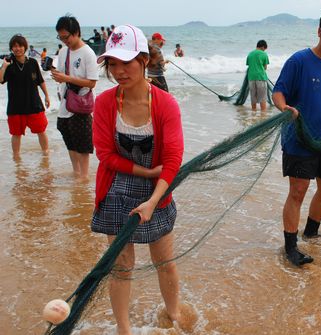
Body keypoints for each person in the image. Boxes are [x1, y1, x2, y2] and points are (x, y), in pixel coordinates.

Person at [92, 24, 191, 333]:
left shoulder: (165, 104)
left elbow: (173, 160)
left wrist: (153, 199)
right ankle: (123, 328)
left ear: (144, 60)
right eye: (113, 63)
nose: (119, 71)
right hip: (117, 184)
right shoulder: (105, 102)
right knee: (121, 266)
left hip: (158, 189)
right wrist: (145, 170)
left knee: (164, 260)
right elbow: (105, 154)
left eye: (127, 62)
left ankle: (173, 316)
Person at [272, 9, 321, 266]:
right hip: (298, 139)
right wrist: (284, 108)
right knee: (298, 191)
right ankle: (291, 247)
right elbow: (279, 92)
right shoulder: (299, 61)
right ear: (319, 31)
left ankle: (311, 232)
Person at [51, 15, 98, 180]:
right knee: (69, 138)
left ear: (76, 32)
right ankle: (76, 172)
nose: (64, 41)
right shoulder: (63, 51)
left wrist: (67, 78)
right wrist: (57, 75)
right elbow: (64, 74)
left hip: (80, 104)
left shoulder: (88, 53)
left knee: (83, 143)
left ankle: (84, 177)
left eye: (66, 37)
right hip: (65, 102)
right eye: (61, 37)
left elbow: (92, 83)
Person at [0, 34, 50, 160]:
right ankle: (16, 158)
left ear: (25, 47)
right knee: (16, 134)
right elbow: (0, 80)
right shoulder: (9, 65)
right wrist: (4, 66)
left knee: (41, 131)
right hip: (16, 107)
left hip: (34, 104)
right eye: (15, 46)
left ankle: (46, 154)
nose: (18, 49)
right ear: (11, 48)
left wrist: (47, 96)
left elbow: (40, 81)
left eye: (20, 46)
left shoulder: (32, 63)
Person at [246, 40, 270, 111]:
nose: (264, 50)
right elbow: (265, 67)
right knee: (262, 98)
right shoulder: (264, 54)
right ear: (263, 47)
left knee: (253, 97)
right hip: (261, 77)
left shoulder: (250, 54)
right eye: (264, 49)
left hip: (251, 78)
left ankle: (254, 113)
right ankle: (263, 115)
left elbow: (249, 65)